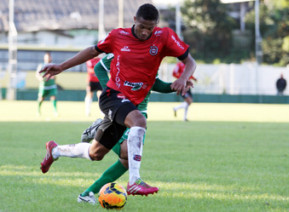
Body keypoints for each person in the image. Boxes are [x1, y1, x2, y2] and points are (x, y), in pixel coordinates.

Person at [40, 3, 196, 197]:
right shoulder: (118, 36)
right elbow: (92, 52)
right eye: (142, 27)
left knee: (95, 153)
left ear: (156, 25)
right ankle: (134, 181)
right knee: (139, 121)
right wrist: (62, 66)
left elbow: (190, 61)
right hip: (112, 97)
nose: (146, 32)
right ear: (134, 21)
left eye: (150, 28)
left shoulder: (164, 37)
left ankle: (55, 151)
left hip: (130, 105)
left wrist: (181, 81)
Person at [77, 53, 187, 204]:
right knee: (127, 153)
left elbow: (155, 83)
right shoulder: (125, 46)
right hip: (121, 109)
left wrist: (176, 85)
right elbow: (99, 67)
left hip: (140, 115)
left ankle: (86, 194)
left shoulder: (154, 51)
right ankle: (98, 130)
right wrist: (108, 92)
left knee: (127, 162)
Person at [35, 52, 58, 116]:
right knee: (41, 98)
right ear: (44, 58)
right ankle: (38, 111)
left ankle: (55, 111)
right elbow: (37, 74)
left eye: (49, 57)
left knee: (53, 97)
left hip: (52, 85)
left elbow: (56, 75)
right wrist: (40, 78)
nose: (48, 58)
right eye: (46, 57)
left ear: (51, 58)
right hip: (44, 85)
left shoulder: (53, 65)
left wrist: (54, 78)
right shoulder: (41, 65)